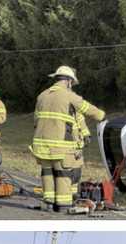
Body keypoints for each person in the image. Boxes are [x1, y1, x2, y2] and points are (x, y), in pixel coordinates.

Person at [30, 66, 105, 213]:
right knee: (63, 174)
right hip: (60, 146)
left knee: (47, 173)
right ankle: (63, 206)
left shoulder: (42, 96)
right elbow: (90, 111)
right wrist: (102, 115)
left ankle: (49, 204)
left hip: (40, 145)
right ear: (69, 81)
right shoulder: (69, 96)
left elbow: (35, 121)